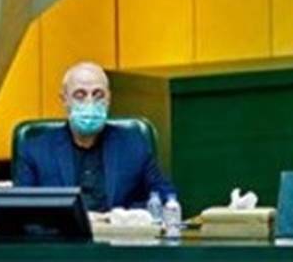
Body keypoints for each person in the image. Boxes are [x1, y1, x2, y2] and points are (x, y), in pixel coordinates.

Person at [14, 61, 175, 211]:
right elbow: (21, 211)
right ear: (64, 100)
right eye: (80, 95)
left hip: (116, 231)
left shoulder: (134, 145)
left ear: (108, 99)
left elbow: (166, 197)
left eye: (98, 95)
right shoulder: (35, 150)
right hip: (65, 232)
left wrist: (124, 217)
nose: (90, 102)